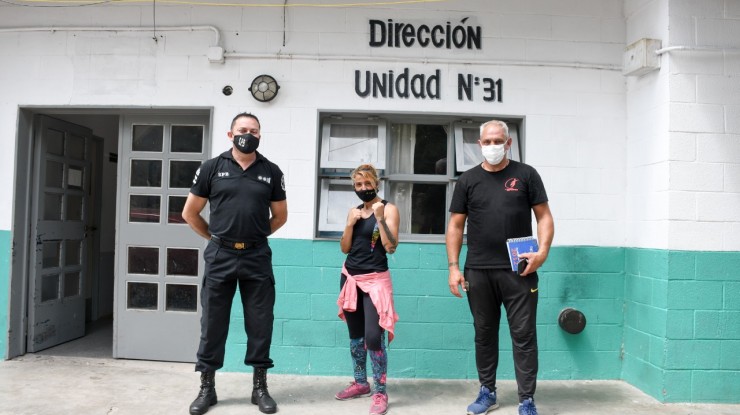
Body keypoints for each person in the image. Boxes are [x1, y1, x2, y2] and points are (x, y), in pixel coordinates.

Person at [182, 112, 288, 415]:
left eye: (254, 130)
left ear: (260, 135)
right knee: (213, 323)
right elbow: (190, 213)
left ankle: (260, 388)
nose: (248, 134)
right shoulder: (211, 168)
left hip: (257, 256)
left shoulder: (272, 171)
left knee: (260, 322)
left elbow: (280, 216)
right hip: (220, 256)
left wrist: (255, 235)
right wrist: (215, 237)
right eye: (242, 129)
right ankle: (207, 388)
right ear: (231, 134)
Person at [446, 120, 554, 415]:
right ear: (479, 144)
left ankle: (526, 399)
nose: (493, 146)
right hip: (478, 270)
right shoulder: (467, 180)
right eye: (487, 141)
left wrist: (542, 253)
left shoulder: (526, 175)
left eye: (498, 141)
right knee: (484, 333)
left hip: (519, 269)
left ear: (508, 143)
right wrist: (454, 267)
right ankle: (487, 391)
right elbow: (455, 225)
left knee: (524, 335)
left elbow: (544, 217)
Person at [335, 164, 400, 415]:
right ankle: (361, 383)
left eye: (368, 183)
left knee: (374, 337)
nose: (364, 188)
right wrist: (350, 224)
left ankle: (380, 392)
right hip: (350, 277)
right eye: (359, 184)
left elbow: (391, 247)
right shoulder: (353, 211)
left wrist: (380, 218)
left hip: (376, 281)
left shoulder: (389, 208)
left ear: (377, 183)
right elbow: (344, 248)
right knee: (356, 337)